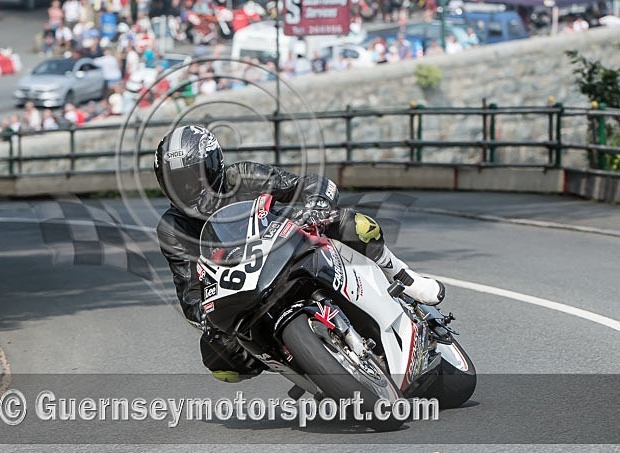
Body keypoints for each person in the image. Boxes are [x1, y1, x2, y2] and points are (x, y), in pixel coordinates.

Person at [154, 126, 446, 383]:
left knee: (353, 223)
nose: (186, 189)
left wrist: (316, 203)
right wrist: (208, 323)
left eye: (192, 179)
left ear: (214, 166)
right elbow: (189, 291)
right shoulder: (172, 227)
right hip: (243, 286)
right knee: (221, 362)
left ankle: (404, 277)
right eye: (176, 183)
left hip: (289, 245)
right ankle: (305, 370)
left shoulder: (243, 176)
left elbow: (308, 183)